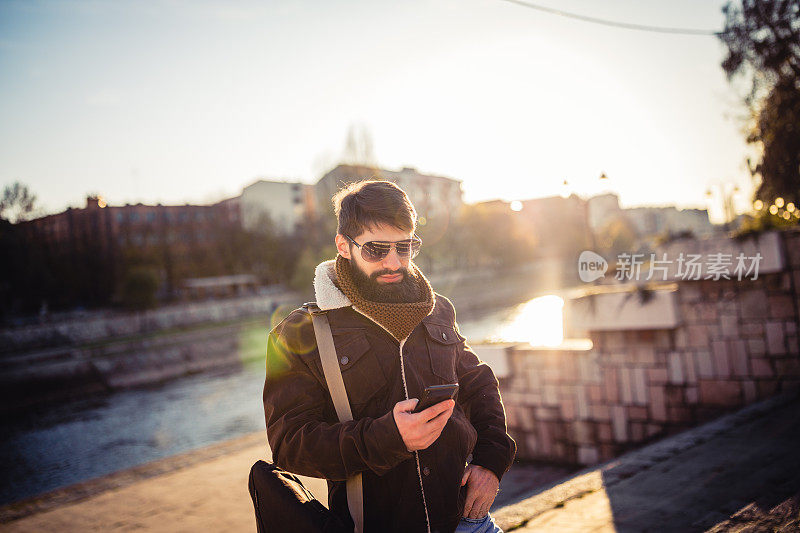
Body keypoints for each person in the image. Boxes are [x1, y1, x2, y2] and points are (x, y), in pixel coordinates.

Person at [263, 180, 516, 533]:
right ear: (344, 246)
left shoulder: (437, 308)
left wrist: (491, 462)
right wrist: (386, 439)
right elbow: (289, 445)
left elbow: (479, 384)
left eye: (405, 246)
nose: (394, 261)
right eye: (376, 249)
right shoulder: (300, 333)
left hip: (469, 523)